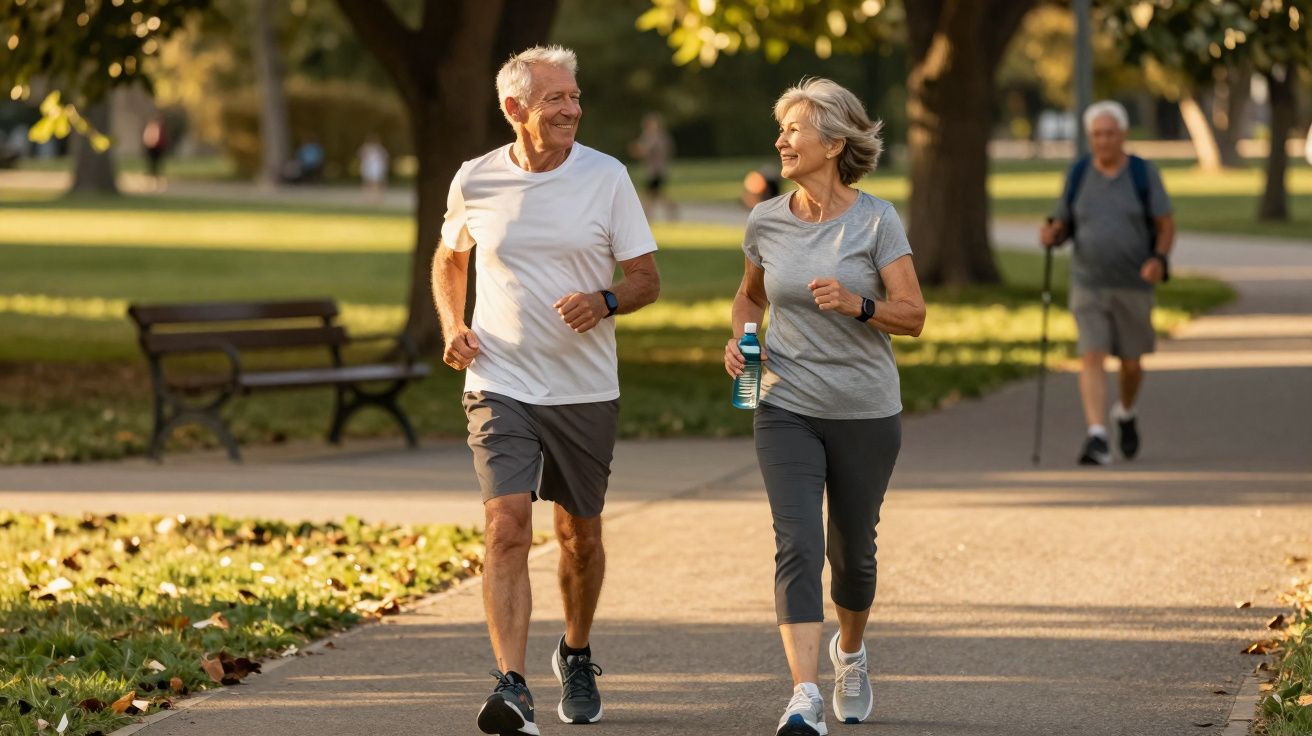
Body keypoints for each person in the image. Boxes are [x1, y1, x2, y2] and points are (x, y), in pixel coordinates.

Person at [431, 45, 660, 736]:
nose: (571, 109)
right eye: (555, 99)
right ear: (514, 110)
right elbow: (450, 256)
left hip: (584, 387)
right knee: (506, 525)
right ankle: (511, 684)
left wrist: (605, 301)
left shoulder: (607, 177)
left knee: (580, 537)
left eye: (573, 96)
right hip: (500, 380)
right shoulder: (475, 180)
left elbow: (646, 278)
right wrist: (453, 323)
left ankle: (578, 652)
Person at [724, 78, 926, 736]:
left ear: (834, 143)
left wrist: (859, 305)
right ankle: (804, 694)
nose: (781, 140)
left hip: (865, 409)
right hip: (785, 404)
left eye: (794, 129)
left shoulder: (876, 220)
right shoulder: (767, 220)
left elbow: (914, 315)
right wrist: (742, 342)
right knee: (798, 545)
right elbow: (750, 298)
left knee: (854, 557)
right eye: (780, 129)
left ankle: (852, 653)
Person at [1039, 100, 1175, 466]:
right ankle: (1097, 436)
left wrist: (1158, 260)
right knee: (1092, 354)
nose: (1103, 141)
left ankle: (1125, 413)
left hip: (1134, 283)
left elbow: (1165, 225)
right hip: (1088, 282)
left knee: (1132, 364)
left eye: (1109, 133)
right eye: (1097, 134)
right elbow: (1064, 222)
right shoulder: (1079, 173)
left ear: (1123, 135)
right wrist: (1054, 234)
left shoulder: (1143, 174)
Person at [628, 112, 677, 221]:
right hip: (659, 170)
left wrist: (635, 149)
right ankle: (669, 207)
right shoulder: (662, 136)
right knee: (656, 194)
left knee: (649, 195)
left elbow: (643, 150)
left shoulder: (652, 137)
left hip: (654, 171)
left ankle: (647, 217)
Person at [358, 135, 389, 203]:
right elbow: (361, 155)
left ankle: (377, 198)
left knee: (376, 183)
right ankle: (367, 197)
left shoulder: (380, 149)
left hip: (376, 168)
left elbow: (384, 159)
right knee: (367, 183)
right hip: (368, 168)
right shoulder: (366, 149)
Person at [142, 114, 168, 192]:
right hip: (153, 149)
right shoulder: (153, 128)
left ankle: (156, 182)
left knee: (156, 166)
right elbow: (148, 139)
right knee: (152, 166)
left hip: (157, 149)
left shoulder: (158, 129)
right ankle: (152, 182)